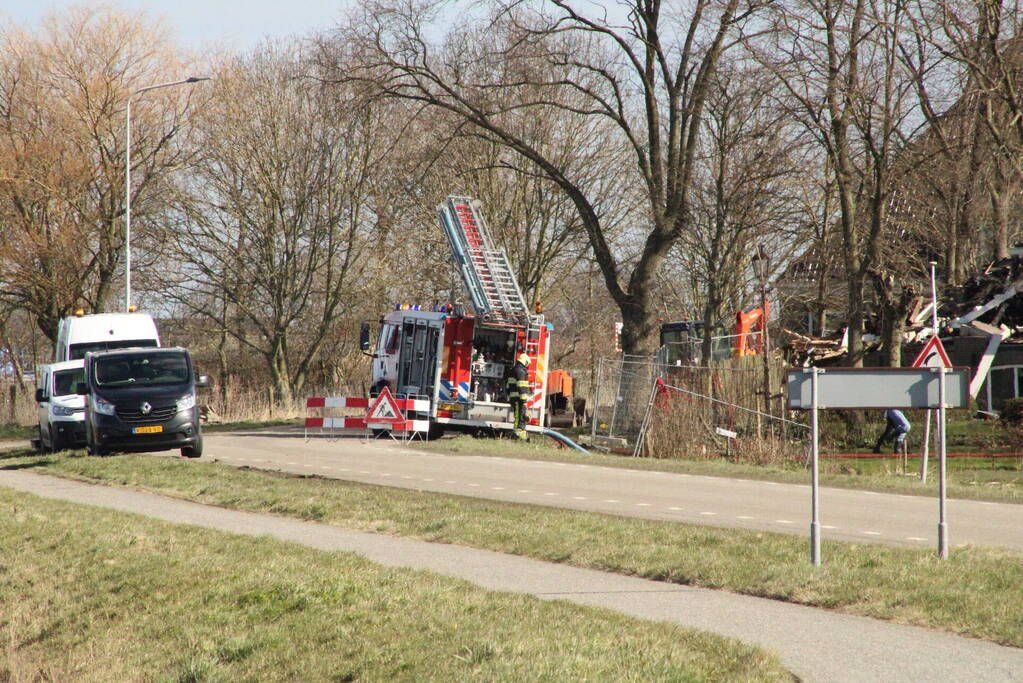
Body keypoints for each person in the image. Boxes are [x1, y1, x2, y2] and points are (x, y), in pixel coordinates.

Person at [506, 352, 531, 439]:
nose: (527, 366)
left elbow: (508, 386)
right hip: (518, 399)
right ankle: (518, 435)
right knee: (519, 417)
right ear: (525, 362)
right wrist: (524, 401)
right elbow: (521, 387)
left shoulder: (513, 370)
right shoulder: (520, 371)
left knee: (518, 417)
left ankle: (517, 434)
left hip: (514, 398)